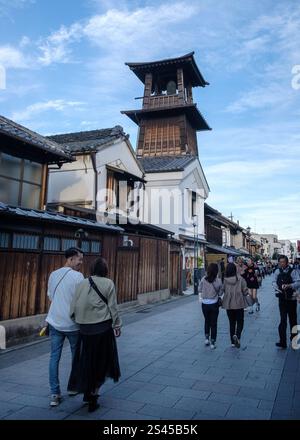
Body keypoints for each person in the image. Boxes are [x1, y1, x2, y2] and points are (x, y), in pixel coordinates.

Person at [70, 257, 121, 412]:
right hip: (102, 329)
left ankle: (87, 392)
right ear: (104, 270)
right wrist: (117, 324)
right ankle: (93, 396)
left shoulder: (81, 284)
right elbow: (112, 306)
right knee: (101, 362)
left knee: (86, 361)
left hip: (84, 329)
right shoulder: (108, 283)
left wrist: (78, 320)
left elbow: (73, 308)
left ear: (92, 269)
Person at [46, 247, 84, 407]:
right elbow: (82, 300)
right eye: (79, 259)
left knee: (54, 357)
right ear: (71, 259)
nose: (81, 263)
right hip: (72, 324)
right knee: (77, 356)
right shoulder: (78, 276)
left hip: (54, 321)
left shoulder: (53, 274)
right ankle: (73, 388)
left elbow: (50, 296)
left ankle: (55, 394)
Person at [273, 255, 300, 349]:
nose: (281, 264)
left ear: (287, 262)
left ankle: (294, 342)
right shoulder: (277, 271)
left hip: (292, 299)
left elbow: (298, 282)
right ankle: (282, 342)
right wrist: (278, 288)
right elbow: (274, 282)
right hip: (282, 299)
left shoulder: (293, 271)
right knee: (283, 320)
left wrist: (289, 285)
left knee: (293, 320)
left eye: (283, 262)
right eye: (280, 262)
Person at [222, 263, 249, 348]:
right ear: (235, 269)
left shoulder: (225, 280)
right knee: (240, 321)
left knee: (231, 322)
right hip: (239, 304)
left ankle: (232, 342)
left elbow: (222, 290)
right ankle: (237, 335)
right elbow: (245, 291)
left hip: (228, 304)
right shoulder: (241, 279)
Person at [198, 263, 223, 350]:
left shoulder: (203, 279)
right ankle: (213, 342)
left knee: (207, 321)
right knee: (214, 323)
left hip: (204, 304)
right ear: (216, 271)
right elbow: (220, 293)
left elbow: (199, 289)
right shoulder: (218, 280)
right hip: (214, 303)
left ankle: (206, 339)